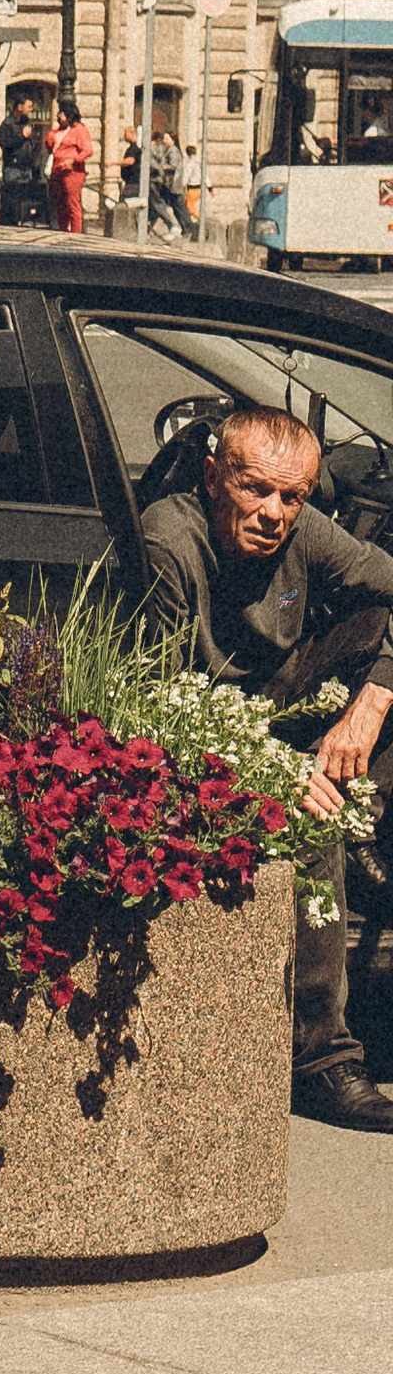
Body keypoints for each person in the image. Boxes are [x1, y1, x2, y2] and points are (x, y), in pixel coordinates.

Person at [141, 404, 393, 1132]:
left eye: (293, 497)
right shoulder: (171, 539)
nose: (274, 513)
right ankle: (322, 1060)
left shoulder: (303, 531)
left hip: (277, 706)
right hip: (194, 735)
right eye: (255, 490)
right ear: (214, 477)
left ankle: (364, 827)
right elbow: (157, 715)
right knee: (307, 820)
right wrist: (273, 774)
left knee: (383, 649)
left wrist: (370, 704)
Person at [46, 94, 92, 232]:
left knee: (72, 203)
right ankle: (62, 229)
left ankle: (76, 232)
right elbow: (49, 146)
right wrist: (52, 132)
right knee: (60, 203)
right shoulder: (59, 131)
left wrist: (74, 160)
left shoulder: (79, 129)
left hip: (72, 172)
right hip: (58, 170)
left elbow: (88, 150)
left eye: (60, 113)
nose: (58, 116)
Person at [0, 101, 45, 229]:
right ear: (19, 106)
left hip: (26, 166)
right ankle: (8, 224)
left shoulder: (27, 122)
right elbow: (5, 142)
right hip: (14, 166)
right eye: (28, 106)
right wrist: (21, 136)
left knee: (23, 198)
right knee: (11, 197)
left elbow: (33, 141)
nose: (31, 109)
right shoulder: (7, 124)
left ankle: (21, 221)